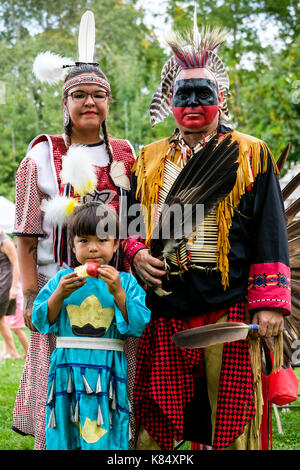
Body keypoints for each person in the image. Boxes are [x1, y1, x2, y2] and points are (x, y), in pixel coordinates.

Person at [120, 20, 291, 450]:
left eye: (204, 95)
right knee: (157, 425)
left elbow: (270, 230)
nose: (193, 104)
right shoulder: (148, 159)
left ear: (221, 101)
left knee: (230, 424)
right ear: (169, 103)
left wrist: (270, 304)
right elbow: (129, 225)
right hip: (167, 309)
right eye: (184, 96)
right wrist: (136, 253)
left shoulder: (251, 153)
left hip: (228, 308)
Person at [12, 11, 136, 450]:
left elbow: (135, 225)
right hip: (56, 290)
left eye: (98, 95)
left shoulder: (125, 155)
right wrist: (30, 296)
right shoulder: (41, 158)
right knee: (57, 394)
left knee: (110, 398)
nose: (89, 102)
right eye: (79, 95)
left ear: (109, 102)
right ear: (64, 103)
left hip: (111, 293)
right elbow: (25, 235)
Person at [31, 203, 150, 450]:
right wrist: (58, 296)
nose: (93, 248)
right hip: (68, 372)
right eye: (84, 240)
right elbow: (41, 321)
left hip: (107, 373)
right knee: (66, 432)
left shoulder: (125, 282)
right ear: (73, 246)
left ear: (116, 244)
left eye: (102, 240)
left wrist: (118, 292)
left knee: (105, 435)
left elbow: (138, 325)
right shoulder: (61, 281)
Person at [0, 231, 21, 359]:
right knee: (2, 319)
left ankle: (13, 352)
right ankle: (8, 350)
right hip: (2, 281)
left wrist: (13, 288)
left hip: (6, 283)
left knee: (0, 319)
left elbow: (16, 264)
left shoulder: (6, 241)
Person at [4, 282, 29, 358]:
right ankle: (8, 351)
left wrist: (14, 288)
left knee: (17, 328)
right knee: (7, 325)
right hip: (11, 300)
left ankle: (28, 352)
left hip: (17, 302)